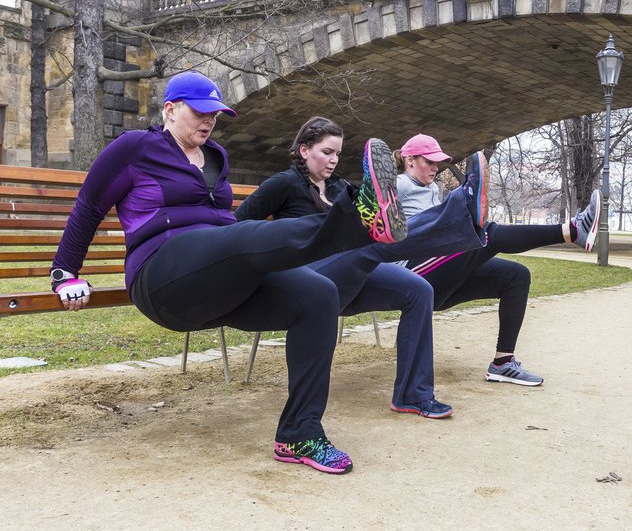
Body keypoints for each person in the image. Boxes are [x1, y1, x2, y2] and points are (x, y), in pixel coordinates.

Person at [49, 71, 436, 475]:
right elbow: (88, 207)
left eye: (215, 114)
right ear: (169, 109)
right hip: (162, 276)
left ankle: (300, 433)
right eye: (200, 112)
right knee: (242, 236)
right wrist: (65, 272)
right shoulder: (136, 148)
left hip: (218, 278)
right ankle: (359, 222)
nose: (209, 121)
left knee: (318, 294)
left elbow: (226, 227)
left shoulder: (216, 155)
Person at [234, 116, 486, 419]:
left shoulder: (340, 188)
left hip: (349, 274)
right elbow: (237, 228)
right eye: (327, 152)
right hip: (308, 281)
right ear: (303, 150)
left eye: (338, 154)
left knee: (418, 289)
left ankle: (413, 394)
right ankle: (460, 209)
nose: (333, 160)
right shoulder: (283, 185)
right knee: (372, 243)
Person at [394, 133, 602, 387]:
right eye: (430, 161)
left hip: (439, 274)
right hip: (412, 276)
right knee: (486, 234)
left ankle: (503, 363)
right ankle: (572, 231)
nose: (436, 168)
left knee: (515, 276)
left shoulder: (430, 190)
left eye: (438, 163)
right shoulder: (398, 185)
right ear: (409, 160)